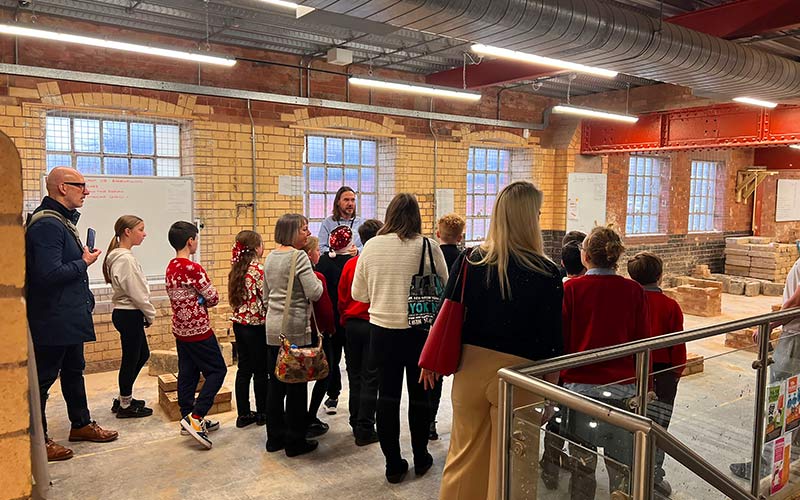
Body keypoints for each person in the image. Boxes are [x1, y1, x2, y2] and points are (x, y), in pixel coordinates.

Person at [422, 181, 564, 500]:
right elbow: (553, 340)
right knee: (516, 464)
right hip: (522, 377)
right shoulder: (548, 272)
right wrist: (552, 390)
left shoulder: (471, 259)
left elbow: (447, 314)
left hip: (470, 369)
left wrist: (432, 360)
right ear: (530, 219)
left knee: (464, 458)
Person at [352, 193, 448, 484]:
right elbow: (444, 288)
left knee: (388, 398)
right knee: (420, 397)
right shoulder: (429, 246)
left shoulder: (371, 247)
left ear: (390, 214)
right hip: (419, 334)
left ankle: (393, 464)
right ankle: (421, 457)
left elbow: (359, 294)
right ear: (417, 215)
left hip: (382, 332)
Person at [25, 166, 119, 462]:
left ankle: (80, 424)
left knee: (74, 371)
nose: (87, 191)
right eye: (81, 186)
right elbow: (48, 274)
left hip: (68, 316)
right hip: (53, 318)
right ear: (62, 187)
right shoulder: (47, 225)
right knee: (43, 379)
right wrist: (84, 262)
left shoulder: (61, 221)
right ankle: (38, 440)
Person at [561, 226, 650, 499]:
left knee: (582, 464)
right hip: (622, 391)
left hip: (579, 390)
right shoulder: (633, 290)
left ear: (585, 257)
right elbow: (642, 341)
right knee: (620, 466)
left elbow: (562, 339)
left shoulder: (572, 289)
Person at [730, 254, 800, 480]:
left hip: (795, 340)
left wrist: (769, 325)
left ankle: (769, 466)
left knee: (782, 403)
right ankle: (790, 459)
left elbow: (796, 302)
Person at [264, 214, 323, 457]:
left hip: (273, 327)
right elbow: (315, 291)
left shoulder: (270, 256)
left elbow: (267, 294)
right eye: (303, 229)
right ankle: (295, 441)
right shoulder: (299, 256)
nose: (307, 234)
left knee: (276, 385)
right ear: (291, 232)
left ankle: (274, 438)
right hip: (296, 328)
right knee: (297, 388)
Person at [627, 251, 685, 497]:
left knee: (630, 424)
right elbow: (678, 345)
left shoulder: (627, 302)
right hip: (663, 373)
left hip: (631, 370)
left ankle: (630, 471)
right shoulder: (671, 306)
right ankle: (654, 476)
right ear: (660, 276)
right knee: (658, 427)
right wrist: (676, 373)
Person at [165, 221, 227, 449]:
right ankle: (197, 416)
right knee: (217, 370)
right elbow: (213, 297)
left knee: (188, 373)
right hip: (199, 330)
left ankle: (186, 418)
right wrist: (201, 299)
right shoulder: (193, 268)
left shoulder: (171, 266)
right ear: (191, 241)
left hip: (180, 330)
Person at [540, 230, 587, 488]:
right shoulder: (573, 290)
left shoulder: (559, 289)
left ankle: (550, 467)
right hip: (578, 370)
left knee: (556, 421)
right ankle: (572, 465)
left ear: (561, 263)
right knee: (575, 423)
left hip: (560, 369)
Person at [103, 215, 157, 418]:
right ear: (128, 231)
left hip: (128, 313)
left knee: (142, 355)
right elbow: (137, 292)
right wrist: (150, 313)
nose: (145, 233)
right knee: (131, 358)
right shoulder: (124, 259)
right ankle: (125, 404)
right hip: (129, 313)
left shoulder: (121, 256)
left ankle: (124, 396)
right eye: (141, 229)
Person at [338, 218, 384, 446]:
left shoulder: (350, 263)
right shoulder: (379, 263)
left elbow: (343, 297)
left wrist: (345, 317)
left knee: (355, 375)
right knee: (370, 377)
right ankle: (365, 427)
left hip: (352, 325)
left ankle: (355, 419)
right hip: (371, 323)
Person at [428, 213, 466, 441]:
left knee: (430, 372)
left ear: (438, 233)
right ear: (461, 237)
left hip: (432, 317)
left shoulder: (431, 255)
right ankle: (443, 420)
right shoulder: (465, 259)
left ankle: (427, 420)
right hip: (456, 321)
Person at [228, 230, 268, 429]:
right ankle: (262, 412)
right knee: (261, 371)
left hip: (239, 324)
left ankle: (243, 414)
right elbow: (265, 299)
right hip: (256, 327)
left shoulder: (236, 269)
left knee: (244, 370)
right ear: (255, 248)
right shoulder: (258, 270)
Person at [315, 224, 355, 415]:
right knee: (352, 359)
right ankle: (356, 395)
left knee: (332, 359)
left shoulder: (323, 261)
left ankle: (333, 395)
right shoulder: (354, 262)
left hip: (330, 318)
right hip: (349, 317)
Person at [301, 235, 336, 438]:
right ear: (309, 254)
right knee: (325, 374)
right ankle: (311, 414)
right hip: (317, 333)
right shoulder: (317, 278)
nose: (319, 254)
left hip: (300, 332)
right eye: (316, 251)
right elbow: (324, 310)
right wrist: (330, 329)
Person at [318, 185, 364, 254]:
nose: (350, 204)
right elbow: (321, 247)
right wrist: (337, 252)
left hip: (355, 261)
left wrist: (357, 251)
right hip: (334, 261)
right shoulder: (327, 223)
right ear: (338, 202)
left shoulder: (361, 223)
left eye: (353, 200)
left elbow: (367, 246)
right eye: (346, 200)